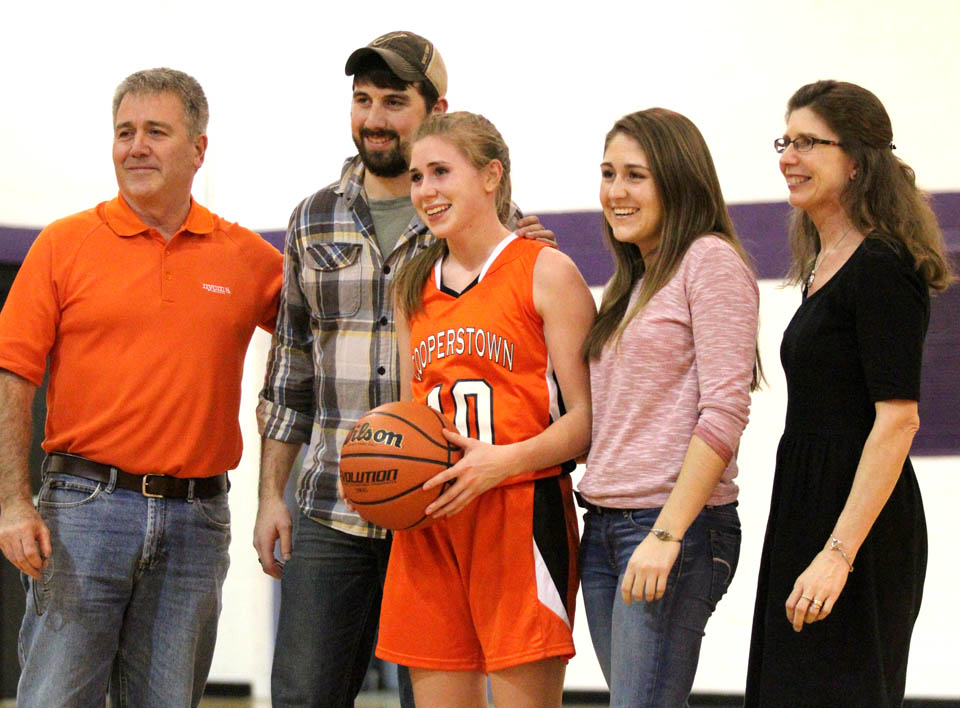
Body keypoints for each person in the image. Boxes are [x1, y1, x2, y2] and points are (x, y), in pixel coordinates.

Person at [253, 32, 553, 708]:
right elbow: (289, 371)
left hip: (441, 508)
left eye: (394, 101)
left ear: (435, 109)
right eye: (362, 101)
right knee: (303, 696)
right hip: (331, 506)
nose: (375, 119)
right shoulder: (313, 219)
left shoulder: (475, 218)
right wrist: (272, 495)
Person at [0, 68, 282, 707]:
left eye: (157, 131)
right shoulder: (63, 245)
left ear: (199, 149)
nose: (137, 147)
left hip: (197, 520)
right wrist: (13, 502)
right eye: (125, 132)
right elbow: (13, 373)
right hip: (81, 510)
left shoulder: (246, 259)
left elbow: (333, 315)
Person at [745, 81, 954, 708]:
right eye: (785, 140)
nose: (788, 156)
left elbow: (897, 422)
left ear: (858, 160)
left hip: (859, 526)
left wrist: (838, 554)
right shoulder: (822, 258)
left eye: (808, 142)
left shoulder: (884, 265)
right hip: (807, 504)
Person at [376, 110, 594, 708]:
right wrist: (381, 469)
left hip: (519, 512)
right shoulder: (410, 286)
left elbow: (586, 421)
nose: (426, 191)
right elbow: (405, 418)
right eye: (417, 177)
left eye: (442, 172)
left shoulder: (546, 272)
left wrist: (502, 462)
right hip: (431, 519)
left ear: (491, 175)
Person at [574, 108, 761, 707]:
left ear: (677, 179)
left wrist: (667, 532)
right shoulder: (629, 280)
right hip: (604, 525)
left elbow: (725, 412)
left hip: (668, 526)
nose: (616, 192)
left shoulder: (709, 261)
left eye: (636, 175)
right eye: (608, 174)